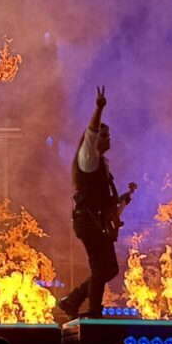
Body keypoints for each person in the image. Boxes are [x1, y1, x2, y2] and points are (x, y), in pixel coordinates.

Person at [58, 87, 131, 319]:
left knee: (111, 268)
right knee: (100, 268)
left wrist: (120, 200)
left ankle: (73, 300)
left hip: (96, 221)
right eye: (104, 135)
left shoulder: (100, 163)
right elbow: (90, 133)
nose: (109, 138)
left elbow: (102, 199)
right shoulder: (88, 158)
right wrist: (99, 108)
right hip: (88, 221)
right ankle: (93, 313)